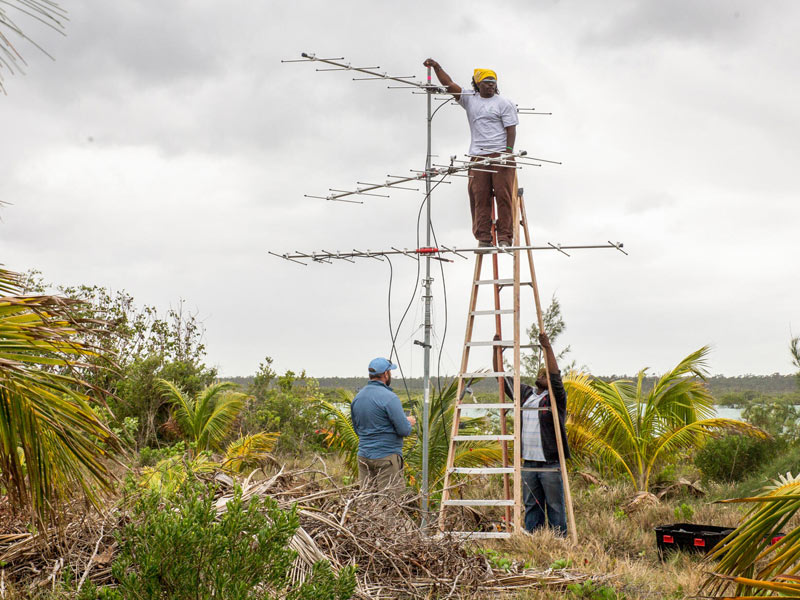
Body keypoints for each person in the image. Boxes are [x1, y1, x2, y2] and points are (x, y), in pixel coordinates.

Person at [423, 58, 519, 248]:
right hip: (478, 157)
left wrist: (507, 153)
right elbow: (449, 84)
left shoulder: (504, 103)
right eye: (486, 83)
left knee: (503, 196)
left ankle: (505, 237)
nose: (491, 86)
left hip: (501, 155)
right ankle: (484, 237)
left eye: (493, 83)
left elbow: (511, 129)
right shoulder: (470, 99)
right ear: (478, 84)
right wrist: (437, 67)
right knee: (479, 196)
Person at [493, 332, 570, 535]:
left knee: (555, 506)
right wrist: (496, 350)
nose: (542, 377)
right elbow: (501, 377)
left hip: (550, 463)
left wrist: (547, 348)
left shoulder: (555, 399)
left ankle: (558, 541)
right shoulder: (526, 394)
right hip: (529, 462)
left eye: (545, 376)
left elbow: (556, 376)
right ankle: (533, 540)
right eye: (541, 375)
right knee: (532, 506)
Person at [350, 357, 417, 494]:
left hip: (364, 457)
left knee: (366, 502)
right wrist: (408, 422)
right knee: (389, 505)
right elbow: (404, 430)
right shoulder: (390, 397)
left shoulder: (358, 398)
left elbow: (357, 430)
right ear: (386, 374)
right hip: (386, 459)